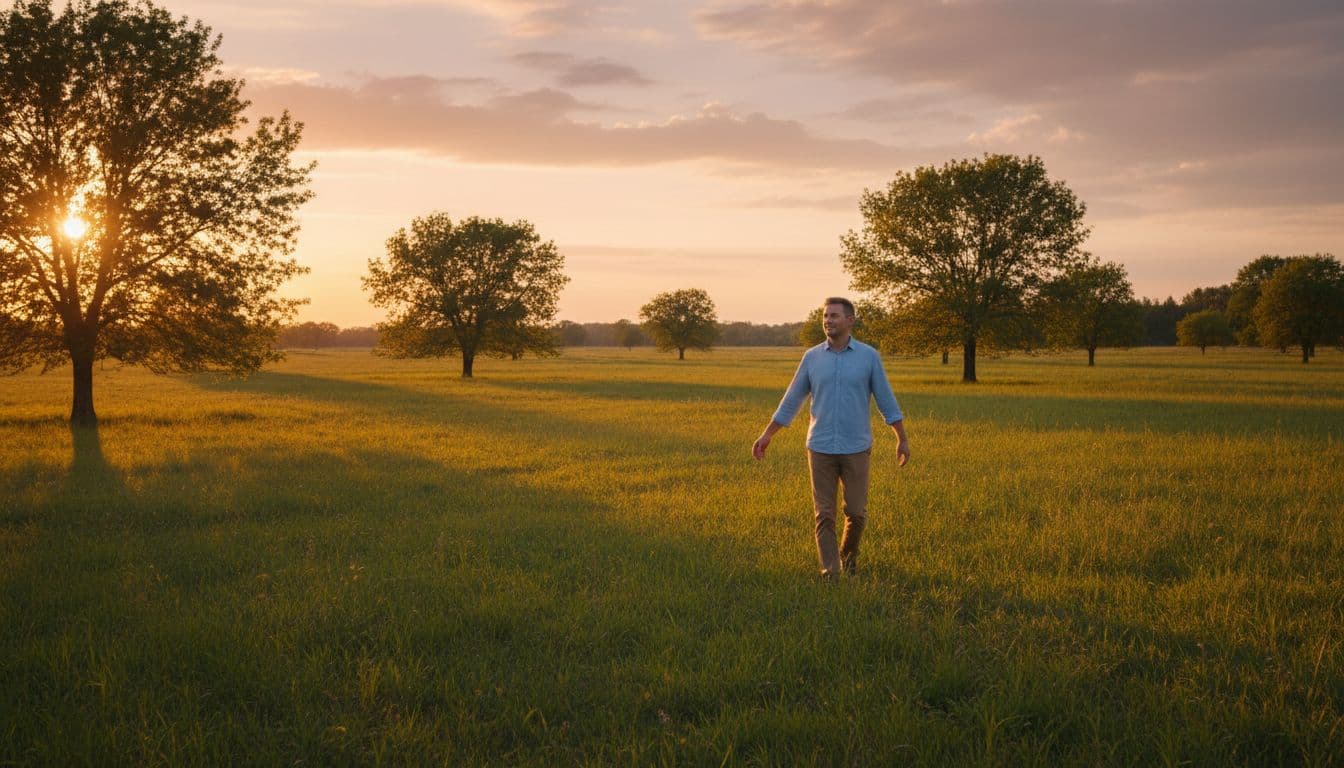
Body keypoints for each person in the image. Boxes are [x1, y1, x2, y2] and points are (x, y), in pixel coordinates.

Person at [752, 297, 909, 578]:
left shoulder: (868, 356)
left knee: (857, 512)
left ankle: (847, 560)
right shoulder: (812, 357)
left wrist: (902, 438)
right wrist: (767, 435)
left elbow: (886, 399)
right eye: (825, 316)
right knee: (824, 514)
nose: (828, 321)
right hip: (820, 447)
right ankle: (831, 573)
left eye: (834, 316)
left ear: (850, 320)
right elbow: (791, 400)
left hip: (856, 447)